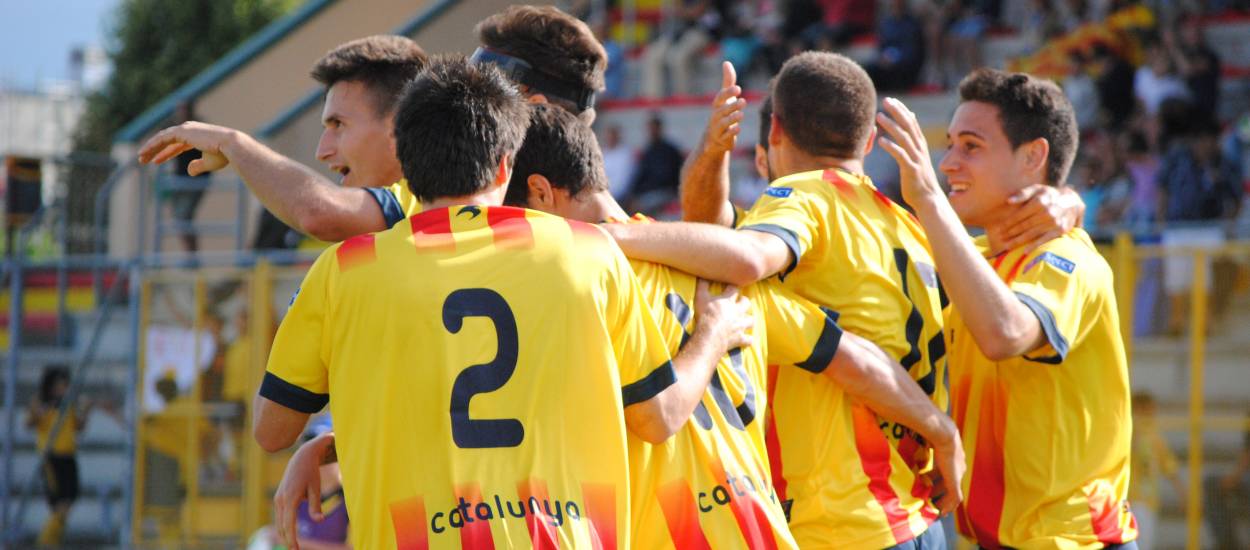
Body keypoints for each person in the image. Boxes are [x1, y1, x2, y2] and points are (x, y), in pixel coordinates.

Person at [253, 57, 746, 550]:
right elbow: (657, 418)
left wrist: (331, 445)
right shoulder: (590, 255)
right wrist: (712, 334)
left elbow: (271, 430)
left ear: (405, 161)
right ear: (506, 165)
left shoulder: (344, 270)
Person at [509, 103, 964, 548]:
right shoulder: (708, 265)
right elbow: (853, 358)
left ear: (541, 193)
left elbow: (652, 418)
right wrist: (941, 430)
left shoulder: (575, 286)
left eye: (517, 218)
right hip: (763, 532)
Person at [876, 68, 1138, 548]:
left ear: (1033, 156)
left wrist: (929, 200)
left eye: (971, 147)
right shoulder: (971, 258)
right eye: (950, 145)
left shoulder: (1071, 259)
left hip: (1073, 541)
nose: (947, 164)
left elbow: (1005, 333)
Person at [139, 5, 607, 242]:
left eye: (487, 90)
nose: (469, 104)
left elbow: (319, 212)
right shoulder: (624, 239)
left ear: (534, 105)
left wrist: (235, 144)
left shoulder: (453, 199)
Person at [138, 35, 429, 242]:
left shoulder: (429, 204)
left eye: (339, 124)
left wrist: (232, 143)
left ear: (397, 126)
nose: (322, 151)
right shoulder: (368, 243)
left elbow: (317, 213)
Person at [26, 365, 92, 546]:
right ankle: (46, 541)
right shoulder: (43, 403)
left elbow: (78, 427)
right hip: (52, 457)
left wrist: (86, 410)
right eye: (62, 385)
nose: (65, 388)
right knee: (59, 501)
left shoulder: (67, 405)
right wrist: (38, 412)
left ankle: (52, 540)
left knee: (70, 498)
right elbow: (30, 423)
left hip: (68, 456)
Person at [1128, 393, 1184, 550]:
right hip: (1132, 499)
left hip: (1149, 501)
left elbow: (1169, 467)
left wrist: (1182, 493)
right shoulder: (1128, 432)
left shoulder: (1155, 437)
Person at [628, 114, 685, 216]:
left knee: (640, 207)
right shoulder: (648, 150)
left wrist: (643, 193)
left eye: (654, 128)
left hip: (666, 192)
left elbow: (666, 178)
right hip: (647, 193)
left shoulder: (670, 150)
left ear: (660, 128)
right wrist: (633, 194)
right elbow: (640, 175)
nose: (651, 131)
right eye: (650, 128)